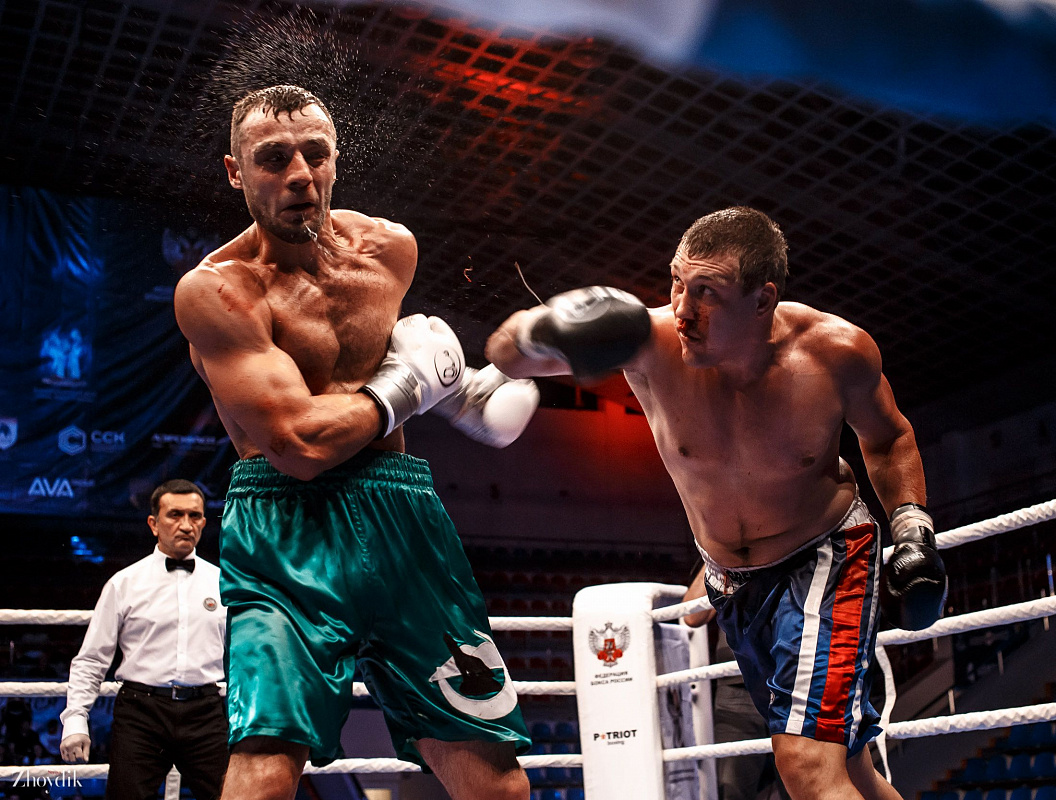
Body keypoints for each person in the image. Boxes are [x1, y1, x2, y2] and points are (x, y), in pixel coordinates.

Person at [487, 206, 946, 800]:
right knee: (849, 766)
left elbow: (889, 438)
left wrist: (911, 525)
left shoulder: (835, 352)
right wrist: (545, 325)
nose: (682, 309)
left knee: (805, 762)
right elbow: (505, 354)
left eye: (707, 292)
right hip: (732, 583)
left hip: (826, 558)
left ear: (763, 300)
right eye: (677, 282)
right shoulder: (648, 342)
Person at [174, 85, 538, 800]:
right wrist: (412, 386)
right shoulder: (218, 291)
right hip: (286, 526)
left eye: (315, 154)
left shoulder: (390, 250)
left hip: (403, 517)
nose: (299, 175)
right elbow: (297, 444)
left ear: (336, 159)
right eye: (273, 159)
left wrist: (457, 391)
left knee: (498, 785)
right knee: (266, 769)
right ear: (235, 173)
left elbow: (378, 371)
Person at [59, 479, 228, 800]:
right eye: (175, 515)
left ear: (204, 523)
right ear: (153, 524)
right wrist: (76, 720)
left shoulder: (223, 583)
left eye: (194, 516)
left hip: (206, 712)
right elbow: (92, 659)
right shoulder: (124, 583)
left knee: (230, 796)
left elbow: (243, 658)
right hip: (141, 714)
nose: (186, 525)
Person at [684, 572, 790, 800]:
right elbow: (692, 616)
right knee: (730, 789)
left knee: (802, 784)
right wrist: (713, 556)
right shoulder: (723, 558)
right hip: (736, 686)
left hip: (790, 679)